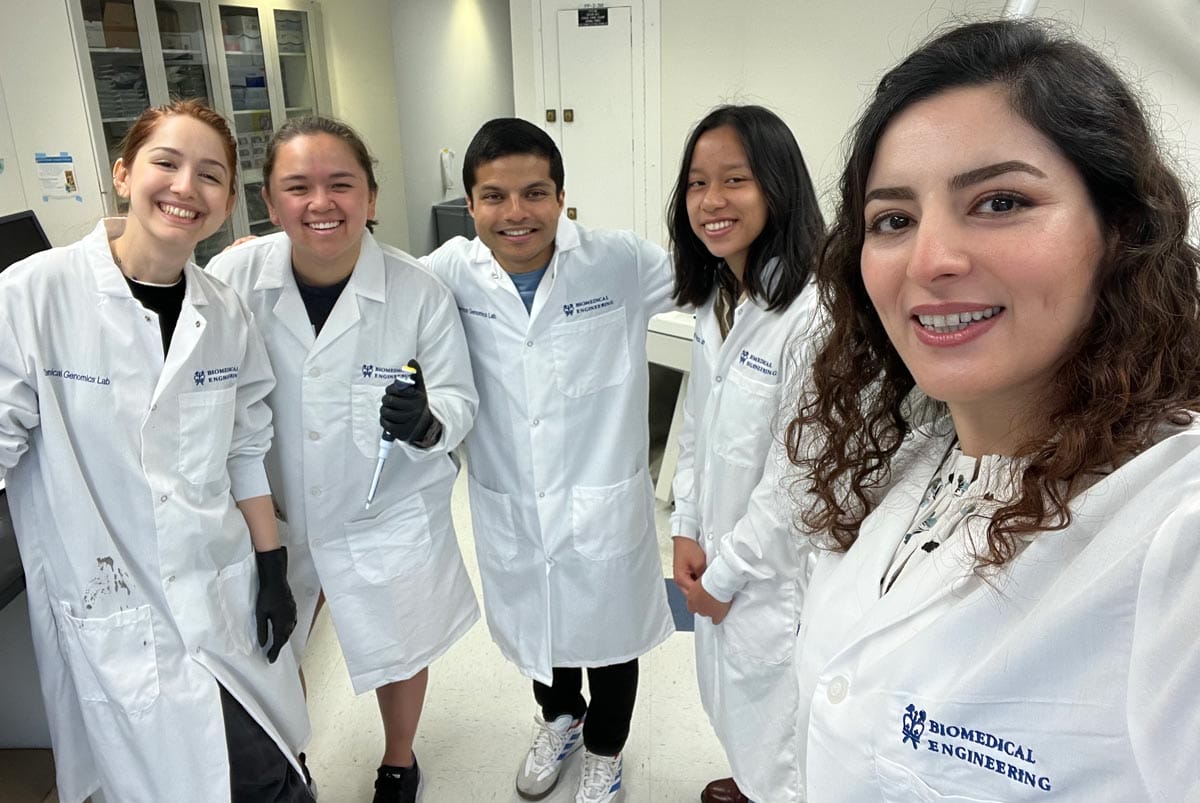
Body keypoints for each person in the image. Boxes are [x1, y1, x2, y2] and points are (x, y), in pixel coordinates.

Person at [789, 18, 1200, 801]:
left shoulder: (1179, 533)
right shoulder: (913, 454)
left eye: (1001, 201)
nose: (932, 258)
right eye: (893, 219)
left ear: (1121, 231)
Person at [0, 100, 312, 803]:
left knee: (270, 765)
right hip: (113, 605)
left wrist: (270, 563)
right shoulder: (35, 296)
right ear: (122, 174)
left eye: (210, 176)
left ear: (228, 202)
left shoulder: (222, 310)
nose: (185, 187)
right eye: (165, 163)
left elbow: (243, 444)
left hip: (219, 582)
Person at [207, 115, 480, 803]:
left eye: (341, 184)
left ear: (372, 196)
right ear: (269, 203)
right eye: (297, 187)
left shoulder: (418, 291)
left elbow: (458, 399)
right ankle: (288, 755)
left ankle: (398, 760)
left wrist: (426, 424)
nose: (320, 203)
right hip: (270, 509)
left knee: (399, 640)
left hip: (382, 507)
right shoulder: (232, 276)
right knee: (270, 645)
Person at [421, 118, 675, 803]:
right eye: (494, 196)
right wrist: (267, 259)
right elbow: (372, 289)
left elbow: (713, 271)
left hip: (602, 499)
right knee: (541, 625)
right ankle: (561, 718)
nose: (516, 213)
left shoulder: (617, 262)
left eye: (534, 193)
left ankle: (604, 751)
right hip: (511, 499)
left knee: (611, 637)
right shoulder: (447, 272)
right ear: (470, 204)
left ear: (562, 196)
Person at [667, 105, 824, 803]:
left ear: (778, 189)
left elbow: (802, 478)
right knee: (733, 700)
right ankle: (752, 774)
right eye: (698, 183)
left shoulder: (812, 314)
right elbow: (699, 425)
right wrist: (685, 527)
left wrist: (727, 571)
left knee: (785, 726)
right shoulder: (716, 301)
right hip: (719, 553)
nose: (712, 201)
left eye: (735, 179)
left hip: (775, 572)